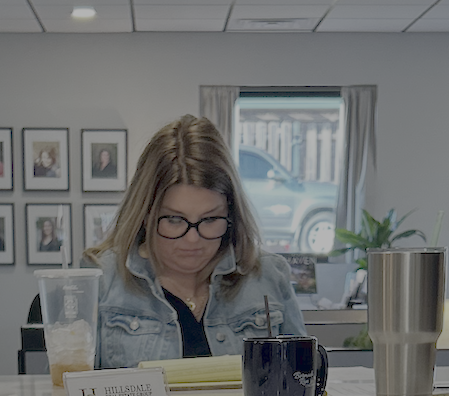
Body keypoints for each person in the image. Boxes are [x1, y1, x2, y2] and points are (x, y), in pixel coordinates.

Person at [86, 116, 305, 365]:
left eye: (210, 220)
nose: (193, 239)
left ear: (231, 214)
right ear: (146, 215)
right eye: (174, 220)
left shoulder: (268, 276)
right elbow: (69, 392)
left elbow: (302, 383)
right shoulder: (102, 281)